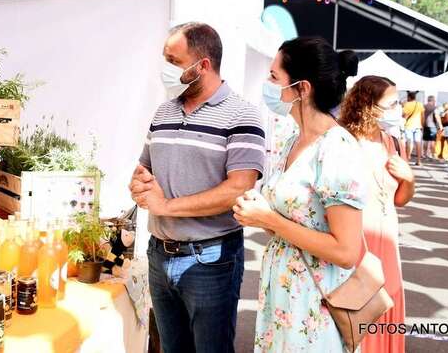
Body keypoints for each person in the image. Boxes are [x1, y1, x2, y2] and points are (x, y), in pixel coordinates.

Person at [129, 22, 265, 353]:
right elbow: (144, 168)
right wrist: (138, 185)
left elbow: (238, 190)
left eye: (173, 61)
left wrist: (166, 206)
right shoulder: (164, 111)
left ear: (203, 65)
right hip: (159, 253)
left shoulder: (242, 115)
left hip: (211, 259)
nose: (165, 68)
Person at [233, 37, 365, 352]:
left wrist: (270, 220)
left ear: (302, 88)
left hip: (316, 305)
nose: (267, 84)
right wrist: (260, 214)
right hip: (284, 298)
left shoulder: (336, 149)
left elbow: (347, 250)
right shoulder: (292, 139)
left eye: (274, 76)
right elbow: (292, 221)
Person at [340, 76, 415, 353]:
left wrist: (410, 179)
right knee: (356, 303)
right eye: (392, 103)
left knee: (388, 297)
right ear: (368, 104)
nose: (399, 108)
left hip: (388, 238)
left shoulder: (392, 142)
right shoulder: (342, 140)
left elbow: (400, 199)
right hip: (355, 238)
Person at [402, 91, 424, 166]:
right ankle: (418, 160)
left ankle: (407, 159)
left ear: (409, 97)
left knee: (409, 142)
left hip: (408, 125)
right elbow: (422, 116)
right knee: (418, 143)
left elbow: (404, 116)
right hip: (418, 126)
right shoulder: (420, 104)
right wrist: (422, 125)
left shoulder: (407, 104)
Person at [423, 95, 438, 160]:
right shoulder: (434, 108)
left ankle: (425, 154)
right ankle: (432, 154)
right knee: (432, 140)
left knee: (425, 140)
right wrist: (440, 125)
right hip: (432, 126)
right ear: (433, 100)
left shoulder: (424, 106)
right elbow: (436, 117)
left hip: (425, 125)